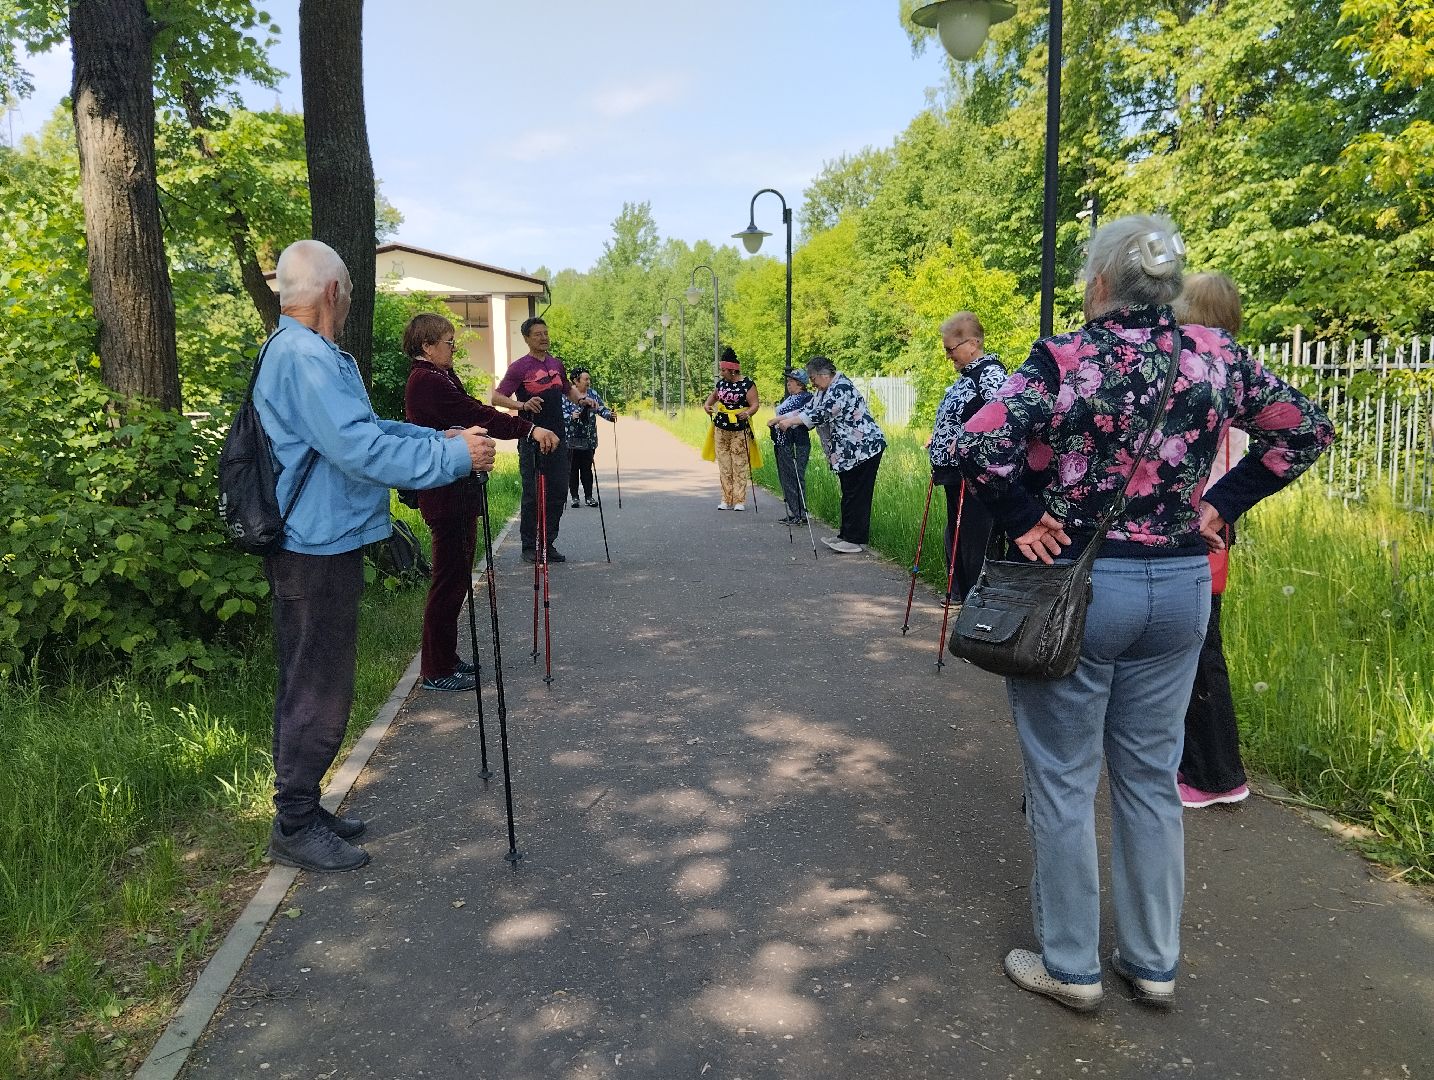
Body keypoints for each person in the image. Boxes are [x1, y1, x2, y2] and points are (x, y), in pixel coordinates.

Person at [955, 215, 1333, 1013]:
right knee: (1152, 781)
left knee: (1062, 782)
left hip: (1080, 595)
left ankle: (1071, 966)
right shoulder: (1215, 355)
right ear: (1167, 287)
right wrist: (1221, 503)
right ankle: (1153, 962)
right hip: (1181, 591)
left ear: (1098, 284)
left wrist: (1023, 516)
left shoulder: (1068, 357)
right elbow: (1304, 430)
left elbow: (973, 445)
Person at [254, 240, 497, 874]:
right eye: (352, 288)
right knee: (317, 686)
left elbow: (366, 431)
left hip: (321, 540)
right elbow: (357, 450)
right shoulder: (305, 357)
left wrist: (432, 437)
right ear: (332, 292)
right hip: (312, 547)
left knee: (316, 678)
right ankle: (296, 821)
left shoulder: (309, 353)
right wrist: (453, 457)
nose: (352, 296)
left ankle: (303, 807)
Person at [402, 313, 559, 693]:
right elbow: (476, 413)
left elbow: (471, 410)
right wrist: (529, 428)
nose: (454, 347)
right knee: (448, 581)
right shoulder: (426, 381)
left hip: (458, 489)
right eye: (448, 341)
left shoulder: (440, 376)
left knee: (456, 579)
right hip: (444, 493)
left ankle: (447, 658)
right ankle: (435, 669)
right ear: (427, 346)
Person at [1174, 273, 1253, 809]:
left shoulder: (1206, 372)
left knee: (1197, 653)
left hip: (1201, 526)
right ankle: (1215, 770)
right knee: (1203, 649)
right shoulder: (1238, 370)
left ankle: (1211, 775)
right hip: (1217, 520)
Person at [492, 317, 589, 563]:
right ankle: (529, 547)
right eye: (538, 334)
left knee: (558, 491)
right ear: (526, 338)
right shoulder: (519, 367)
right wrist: (522, 404)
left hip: (559, 437)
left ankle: (548, 544)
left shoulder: (557, 363)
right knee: (533, 493)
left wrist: (581, 399)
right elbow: (496, 397)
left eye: (546, 333)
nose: (544, 337)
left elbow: (567, 388)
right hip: (532, 437)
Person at [927, 311, 1006, 601]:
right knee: (958, 533)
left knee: (974, 537)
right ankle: (960, 592)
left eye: (951, 348)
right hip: (954, 469)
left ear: (972, 344)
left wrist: (963, 439)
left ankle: (979, 597)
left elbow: (999, 414)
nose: (948, 355)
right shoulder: (969, 375)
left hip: (973, 470)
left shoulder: (990, 373)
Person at [774, 356, 886, 554]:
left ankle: (854, 539)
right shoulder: (823, 390)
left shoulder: (840, 388)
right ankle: (845, 535)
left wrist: (791, 423)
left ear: (823, 375)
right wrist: (782, 418)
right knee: (849, 493)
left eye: (812, 378)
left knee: (856, 494)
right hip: (849, 452)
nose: (811, 382)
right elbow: (808, 409)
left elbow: (821, 414)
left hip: (864, 449)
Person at [703, 346, 760, 511]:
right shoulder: (721, 384)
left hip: (740, 429)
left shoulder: (747, 384)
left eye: (723, 370)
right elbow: (713, 398)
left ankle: (739, 500)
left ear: (732, 370)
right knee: (724, 465)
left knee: (739, 464)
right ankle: (725, 499)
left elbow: (755, 404)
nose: (721, 373)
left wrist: (748, 413)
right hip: (721, 429)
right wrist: (707, 405)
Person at [562, 366, 616, 508]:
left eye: (589, 379)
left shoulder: (592, 393)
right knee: (573, 469)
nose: (588, 382)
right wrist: (570, 416)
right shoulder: (567, 394)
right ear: (576, 381)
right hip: (571, 439)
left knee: (587, 468)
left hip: (588, 438)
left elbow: (601, 408)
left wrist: (610, 416)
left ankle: (589, 497)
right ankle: (574, 497)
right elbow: (560, 414)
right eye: (586, 379)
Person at [767, 368, 814, 525]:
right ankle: (795, 511)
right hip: (783, 440)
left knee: (795, 475)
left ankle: (801, 513)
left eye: (791, 381)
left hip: (797, 441)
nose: (788, 384)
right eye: (788, 381)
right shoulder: (789, 398)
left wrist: (778, 419)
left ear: (800, 383)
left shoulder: (807, 397)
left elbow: (803, 413)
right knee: (786, 476)